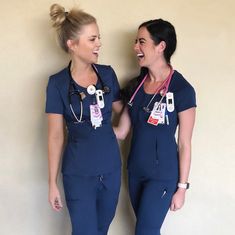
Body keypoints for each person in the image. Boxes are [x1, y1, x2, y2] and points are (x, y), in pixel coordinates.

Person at [46, 4, 123, 235]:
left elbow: (123, 108)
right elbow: (55, 136)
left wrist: (122, 130)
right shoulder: (57, 83)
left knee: (101, 230)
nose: (99, 43)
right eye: (92, 39)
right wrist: (52, 183)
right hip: (78, 173)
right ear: (72, 44)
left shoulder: (107, 74)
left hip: (110, 170)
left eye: (98, 37)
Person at [114, 19, 196, 235]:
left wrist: (182, 188)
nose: (135, 47)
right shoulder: (136, 86)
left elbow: (185, 144)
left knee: (145, 230)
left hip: (162, 175)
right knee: (145, 229)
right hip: (135, 173)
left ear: (161, 47)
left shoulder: (182, 90)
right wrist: (87, 129)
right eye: (135, 41)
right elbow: (121, 131)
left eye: (142, 42)